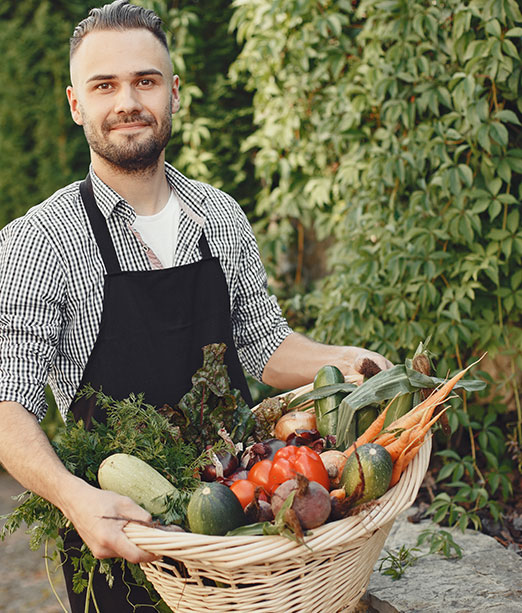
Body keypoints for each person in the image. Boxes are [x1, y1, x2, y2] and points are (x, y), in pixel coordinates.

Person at [0, 1, 392, 610]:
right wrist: (76, 499)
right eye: (104, 85)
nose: (127, 101)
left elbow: (262, 345)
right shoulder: (41, 240)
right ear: (77, 104)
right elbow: (8, 404)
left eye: (145, 81)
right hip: (123, 536)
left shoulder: (220, 215)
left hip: (238, 527)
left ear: (173, 94)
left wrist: (350, 361)